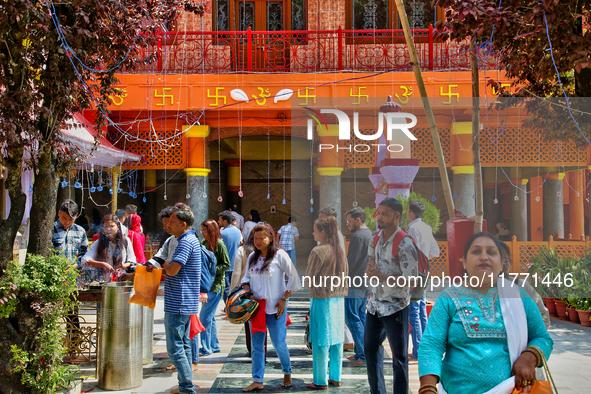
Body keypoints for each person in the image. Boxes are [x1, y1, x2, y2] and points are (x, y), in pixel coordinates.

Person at [418, 232, 553, 394]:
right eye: (476, 251)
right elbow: (432, 344)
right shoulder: (449, 298)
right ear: (465, 262)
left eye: (491, 252)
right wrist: (428, 388)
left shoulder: (518, 296)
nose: (484, 257)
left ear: (501, 263)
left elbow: (542, 337)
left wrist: (529, 358)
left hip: (510, 390)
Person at [364, 198, 418, 394]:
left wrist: (381, 276)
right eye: (379, 213)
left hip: (396, 307)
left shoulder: (405, 244)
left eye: (385, 214)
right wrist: (371, 271)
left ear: (397, 217)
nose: (380, 217)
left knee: (399, 358)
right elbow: (371, 261)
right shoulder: (375, 237)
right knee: (370, 351)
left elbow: (411, 281)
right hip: (374, 305)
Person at [240, 223, 301, 392]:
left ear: (271, 238)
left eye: (262, 238)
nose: (258, 241)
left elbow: (294, 277)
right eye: (256, 238)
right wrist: (248, 292)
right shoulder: (252, 256)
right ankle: (257, 379)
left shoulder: (279, 255)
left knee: (279, 343)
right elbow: (245, 279)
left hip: (276, 309)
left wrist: (284, 299)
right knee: (257, 346)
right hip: (257, 309)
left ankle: (287, 371)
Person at [162, 203, 201, 394]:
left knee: (175, 348)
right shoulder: (188, 239)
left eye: (172, 222)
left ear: (183, 224)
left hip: (179, 302)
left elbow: (172, 269)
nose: (168, 225)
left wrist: (166, 264)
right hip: (184, 300)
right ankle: (185, 384)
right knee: (184, 345)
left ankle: (186, 388)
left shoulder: (185, 242)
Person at [305, 216, 349, 389]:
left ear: (322, 232)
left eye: (315, 229)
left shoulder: (318, 251)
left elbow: (309, 279)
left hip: (322, 299)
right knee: (337, 339)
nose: (313, 232)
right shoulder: (339, 250)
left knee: (321, 340)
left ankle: (320, 380)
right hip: (338, 300)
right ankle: (335, 377)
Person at [406, 200, 440, 362]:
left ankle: (418, 349)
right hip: (425, 270)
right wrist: (425, 259)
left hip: (415, 272)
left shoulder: (413, 228)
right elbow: (436, 251)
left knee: (414, 310)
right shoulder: (427, 227)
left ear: (411, 212)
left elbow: (411, 252)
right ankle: (425, 347)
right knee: (421, 309)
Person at [318, 207, 354, 350]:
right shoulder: (327, 235)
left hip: (333, 278)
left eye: (322, 217)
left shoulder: (335, 235)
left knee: (334, 310)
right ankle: (345, 340)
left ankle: (344, 340)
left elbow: (338, 258)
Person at [498, 241, 551, 329]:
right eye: (498, 260)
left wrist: (534, 340)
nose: (502, 266)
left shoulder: (521, 286)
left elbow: (543, 316)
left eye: (506, 261)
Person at [344, 207, 372, 366]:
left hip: (356, 282)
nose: (348, 224)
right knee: (361, 318)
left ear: (358, 220)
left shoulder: (358, 236)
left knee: (353, 318)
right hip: (366, 282)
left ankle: (362, 354)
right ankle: (360, 352)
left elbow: (351, 262)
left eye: (349, 220)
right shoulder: (371, 234)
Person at [199, 219, 231, 357]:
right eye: (201, 231)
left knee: (204, 317)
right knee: (210, 318)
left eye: (205, 231)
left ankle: (206, 348)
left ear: (212, 231)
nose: (202, 233)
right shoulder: (204, 243)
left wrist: (212, 270)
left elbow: (226, 264)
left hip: (216, 285)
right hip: (207, 284)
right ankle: (214, 345)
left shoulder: (219, 244)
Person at [81, 214, 136, 283]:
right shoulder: (99, 242)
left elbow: (132, 260)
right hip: (103, 281)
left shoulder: (125, 241)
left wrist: (122, 266)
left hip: (121, 279)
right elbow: (85, 260)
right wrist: (102, 264)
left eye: (111, 226)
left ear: (118, 226)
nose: (108, 229)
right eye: (105, 226)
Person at [230, 231, 256, 354]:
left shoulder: (242, 250)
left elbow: (236, 273)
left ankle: (251, 348)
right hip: (260, 290)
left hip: (246, 290)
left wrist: (231, 294)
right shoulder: (263, 250)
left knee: (248, 320)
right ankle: (261, 349)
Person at [52, 199, 89, 266]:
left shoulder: (80, 231)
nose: (67, 222)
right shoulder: (52, 229)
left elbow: (84, 254)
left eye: (71, 219)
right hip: (55, 272)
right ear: (59, 213)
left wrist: (76, 264)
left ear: (76, 216)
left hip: (74, 272)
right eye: (64, 218)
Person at [219, 210, 242, 305]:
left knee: (226, 288)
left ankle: (229, 307)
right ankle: (231, 306)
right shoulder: (238, 232)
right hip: (235, 263)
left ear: (225, 221)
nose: (218, 222)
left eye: (219, 220)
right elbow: (241, 243)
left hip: (225, 264)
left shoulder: (221, 233)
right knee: (234, 287)